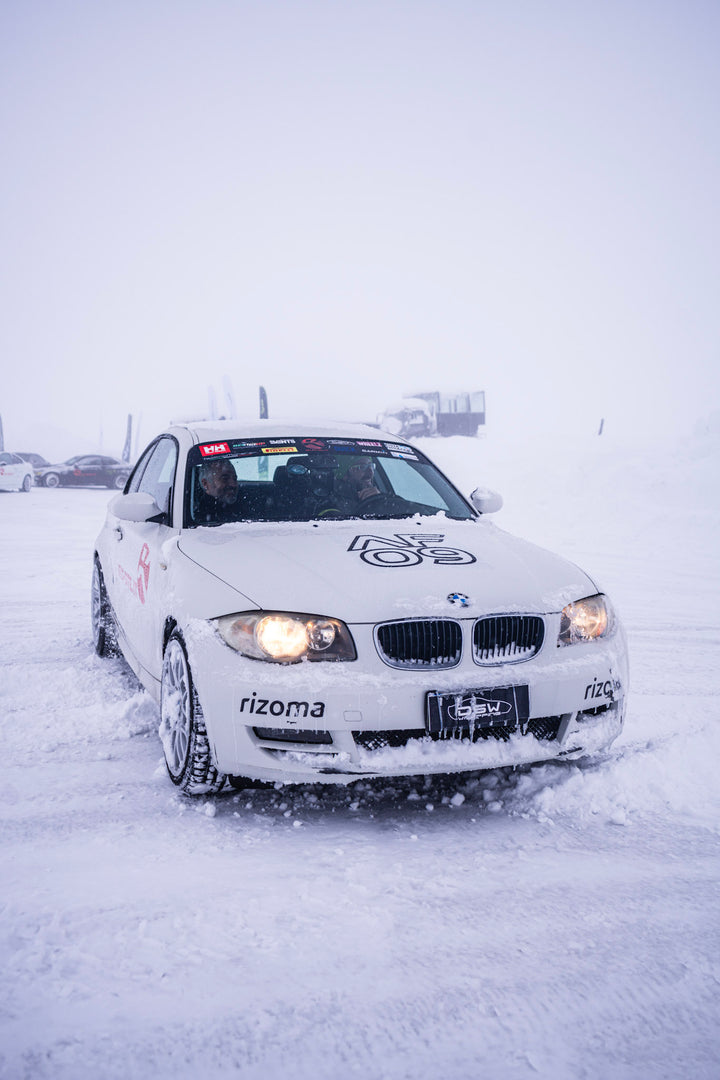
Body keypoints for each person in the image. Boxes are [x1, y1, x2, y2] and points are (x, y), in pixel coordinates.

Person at [197, 458, 243, 522]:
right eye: (225, 479)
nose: (233, 484)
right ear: (205, 484)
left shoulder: (243, 506)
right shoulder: (198, 519)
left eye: (235, 479)